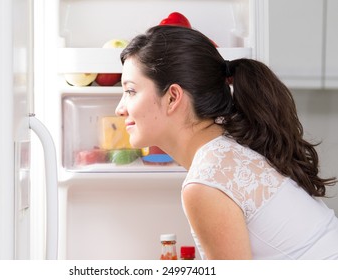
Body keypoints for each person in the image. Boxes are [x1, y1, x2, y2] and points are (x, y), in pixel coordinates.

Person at [115, 25, 338, 260]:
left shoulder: (206, 183)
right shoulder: (234, 144)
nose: (120, 109)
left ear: (172, 97)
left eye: (130, 91)